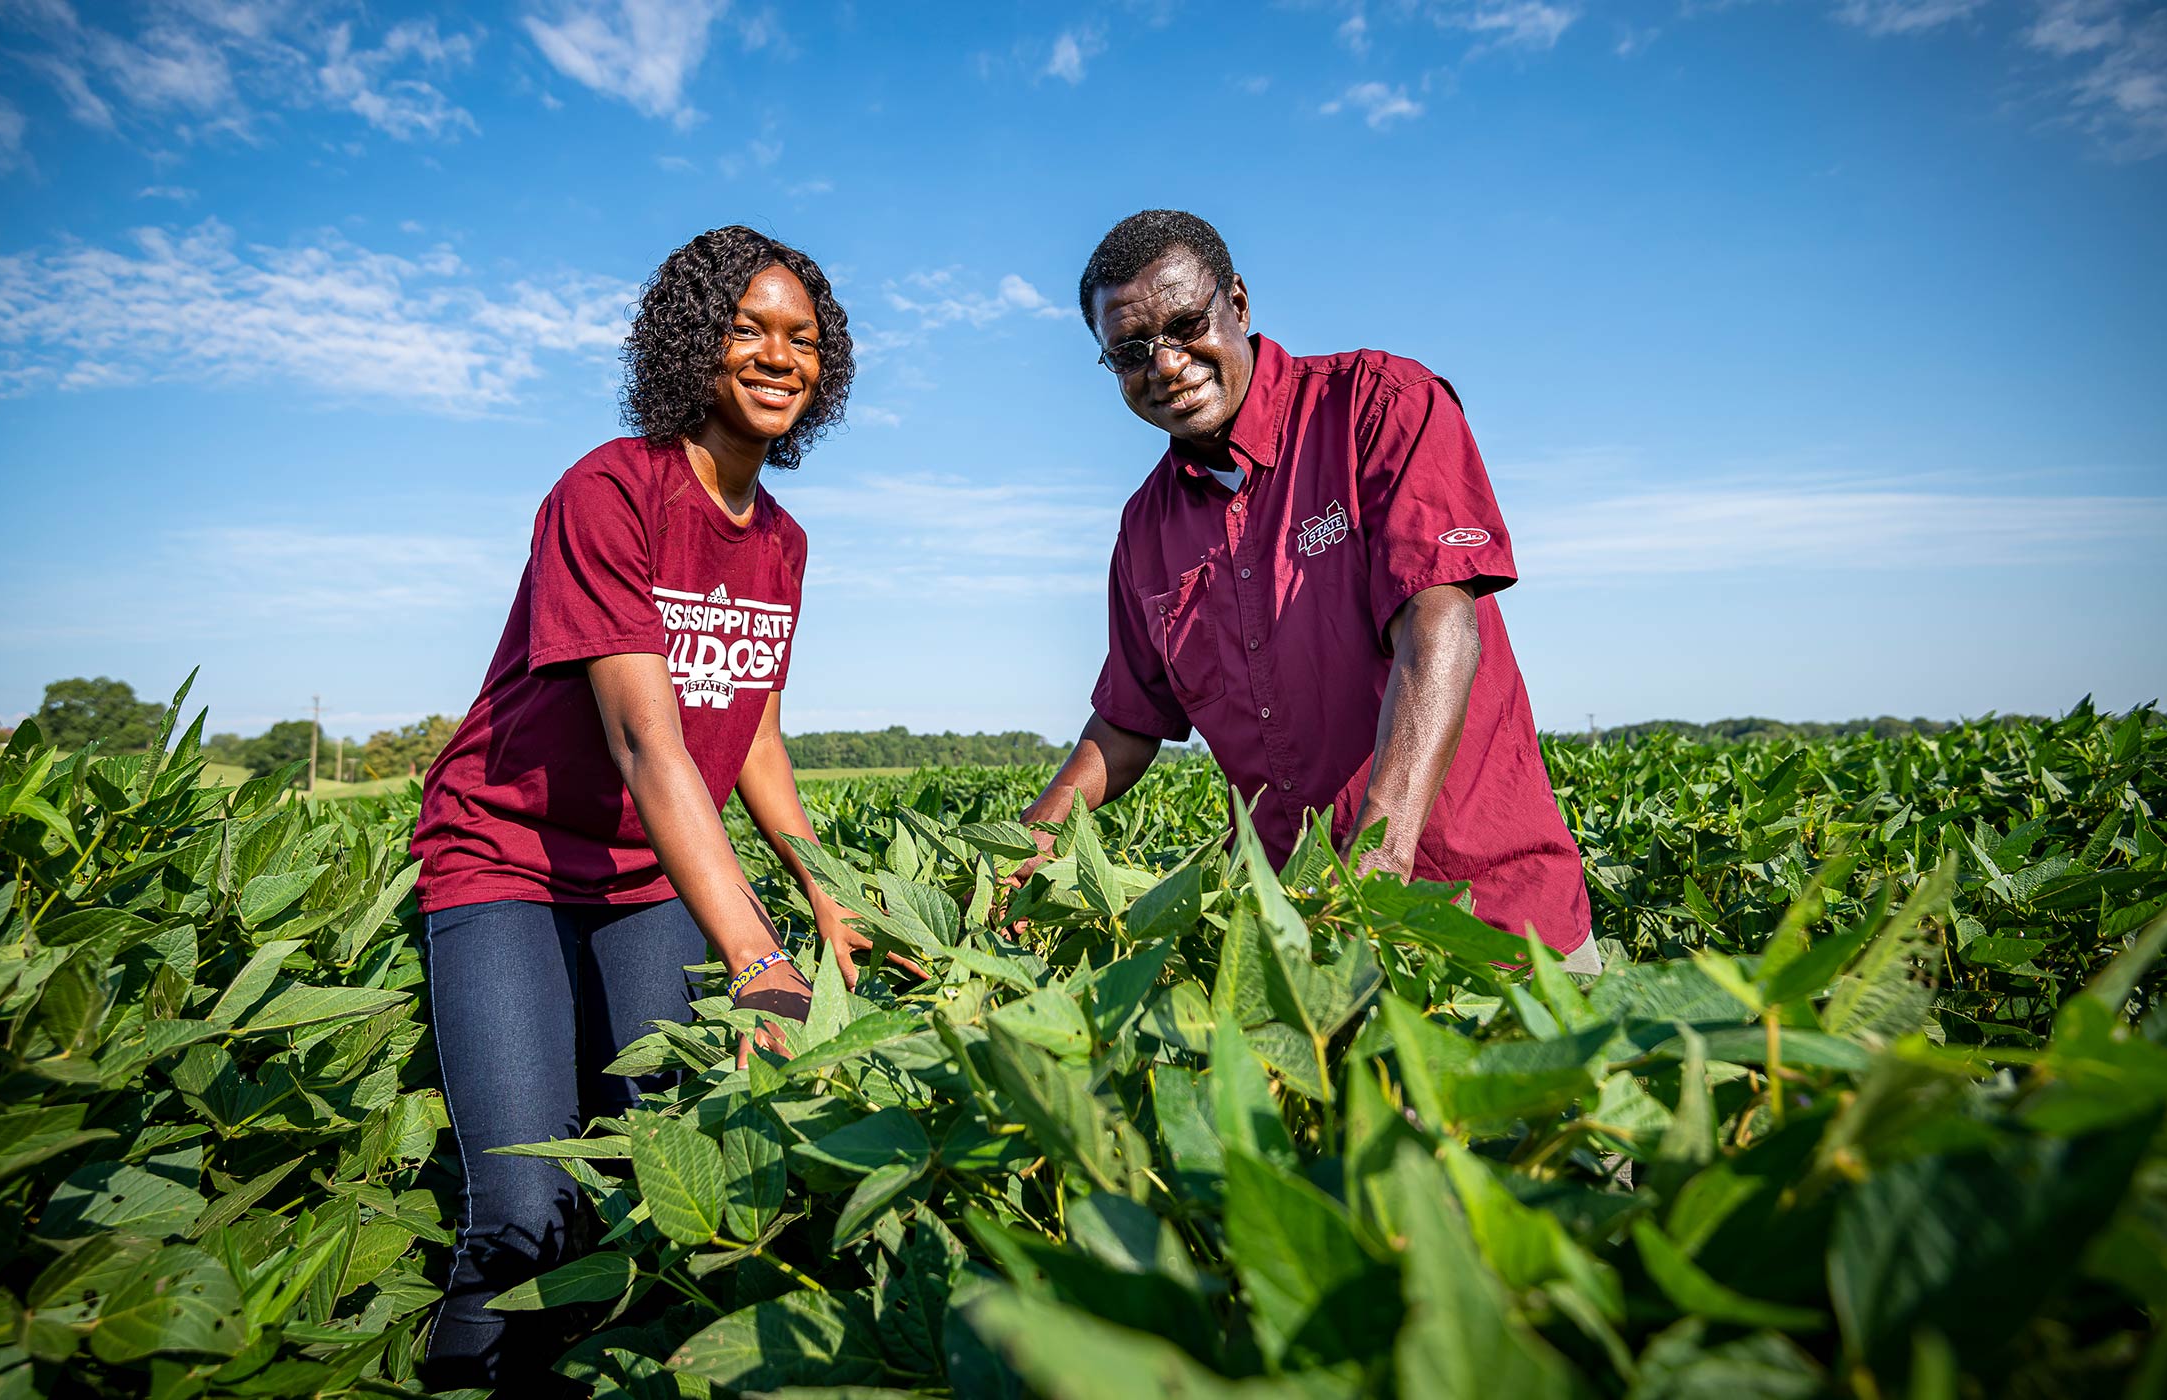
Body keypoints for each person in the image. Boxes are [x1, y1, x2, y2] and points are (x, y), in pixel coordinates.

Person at [406, 226, 897, 1390]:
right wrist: (758, 955)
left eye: (805, 339)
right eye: (749, 327)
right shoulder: (608, 490)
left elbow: (755, 730)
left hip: (647, 879)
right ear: (692, 341)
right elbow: (646, 734)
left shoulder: (783, 541)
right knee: (527, 1212)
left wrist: (831, 897)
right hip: (508, 859)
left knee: (670, 1167)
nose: (780, 356)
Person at [1021, 209, 1600, 973]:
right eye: (1129, 351)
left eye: (1187, 323)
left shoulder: (1378, 404)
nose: (1164, 365)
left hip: (1485, 914)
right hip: (1294, 935)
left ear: (1239, 303)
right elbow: (1129, 721)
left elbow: (1440, 626)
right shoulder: (1146, 527)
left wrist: (1377, 866)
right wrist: (1025, 848)